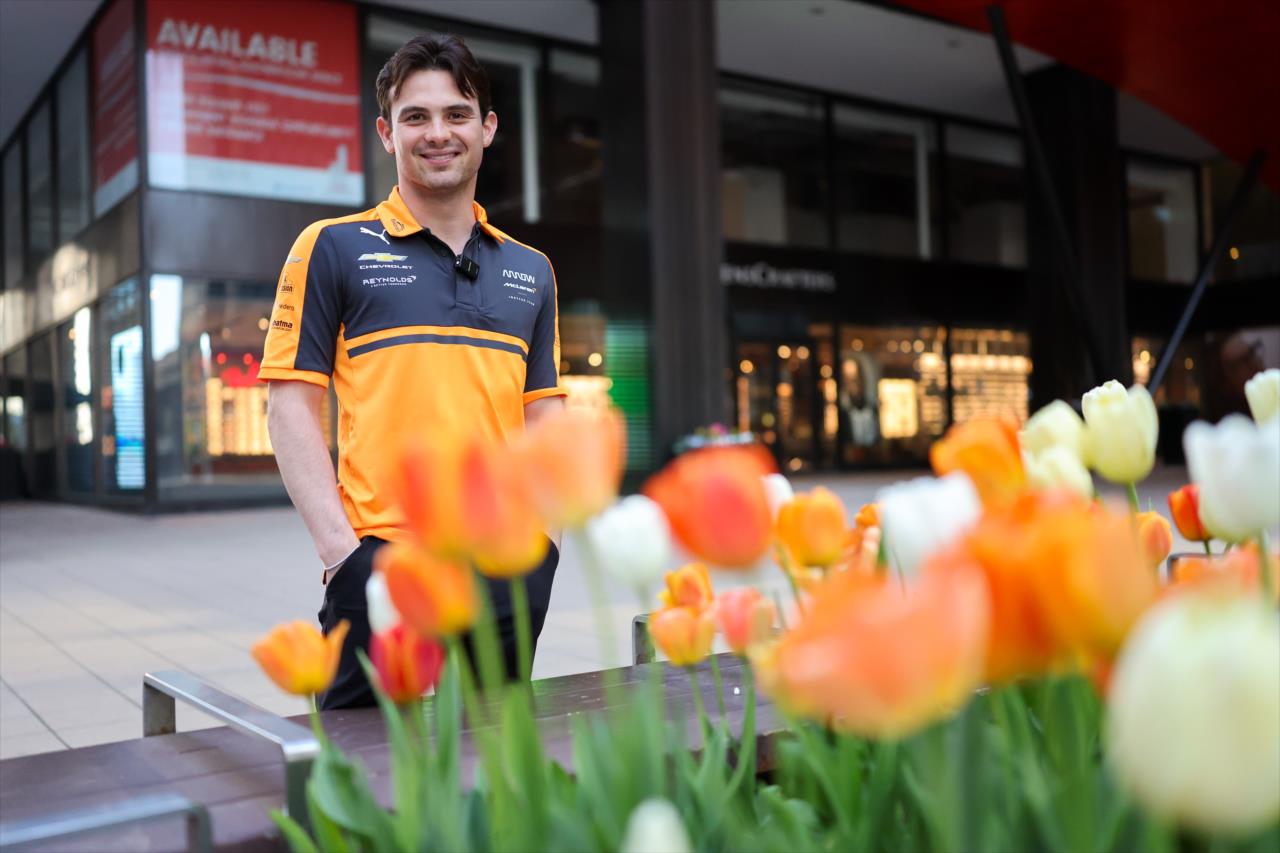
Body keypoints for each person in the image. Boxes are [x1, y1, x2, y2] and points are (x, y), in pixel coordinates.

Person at [259, 34, 566, 709]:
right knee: (364, 779)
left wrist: (544, 543)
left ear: (487, 128)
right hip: (381, 563)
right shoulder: (331, 248)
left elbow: (544, 415)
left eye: (457, 114)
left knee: (495, 769)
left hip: (506, 562)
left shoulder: (531, 269)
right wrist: (343, 554)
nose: (438, 133)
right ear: (385, 132)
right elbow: (288, 405)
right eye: (415, 116)